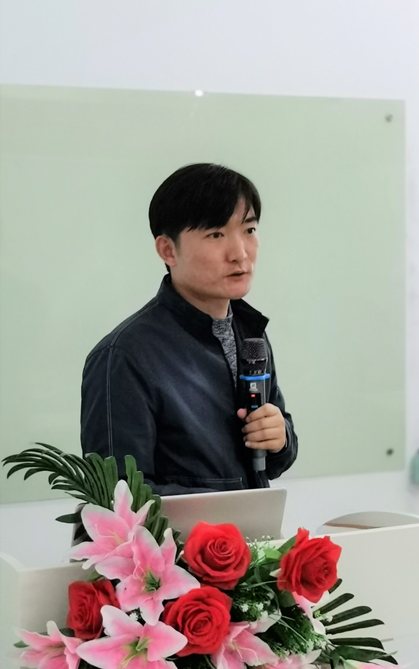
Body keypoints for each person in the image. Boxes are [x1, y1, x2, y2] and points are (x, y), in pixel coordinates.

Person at [80, 163, 298, 495]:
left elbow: (270, 463)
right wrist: (218, 513)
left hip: (251, 527)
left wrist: (280, 439)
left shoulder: (250, 332)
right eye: (216, 234)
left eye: (249, 230)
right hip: (192, 532)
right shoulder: (124, 356)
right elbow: (118, 496)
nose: (240, 253)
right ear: (168, 250)